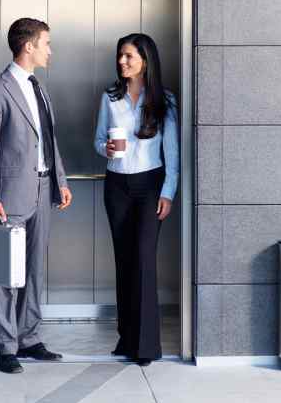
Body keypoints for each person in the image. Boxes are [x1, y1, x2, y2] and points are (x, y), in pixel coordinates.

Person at [0, 17, 72, 374]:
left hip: (44, 189)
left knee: (34, 270)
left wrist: (60, 180)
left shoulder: (39, 89)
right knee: (7, 273)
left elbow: (49, 139)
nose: (50, 49)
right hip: (10, 195)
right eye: (46, 43)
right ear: (28, 46)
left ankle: (29, 337)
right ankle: (5, 346)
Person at [94, 33, 179, 366]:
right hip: (116, 185)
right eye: (120, 56)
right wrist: (106, 148)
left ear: (146, 60)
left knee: (144, 260)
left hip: (150, 186)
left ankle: (145, 346)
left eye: (128, 56)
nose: (121, 62)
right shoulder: (110, 97)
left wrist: (168, 193)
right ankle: (126, 338)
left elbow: (172, 153)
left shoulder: (165, 101)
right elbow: (98, 140)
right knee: (124, 261)